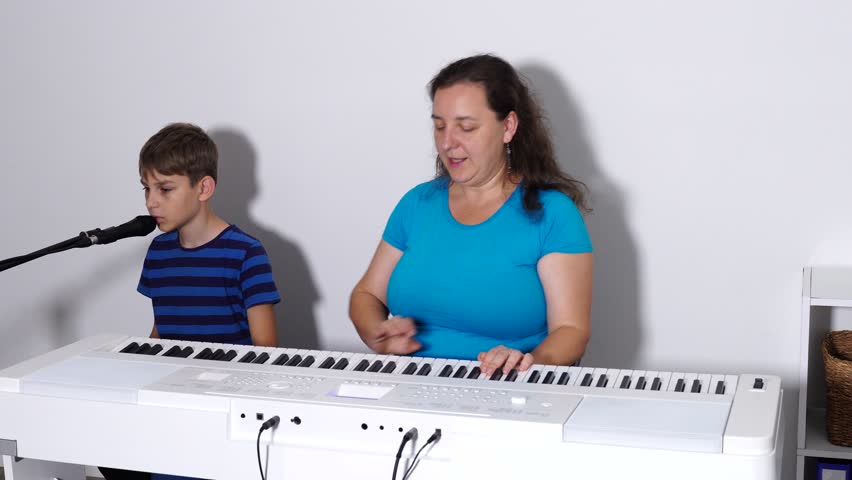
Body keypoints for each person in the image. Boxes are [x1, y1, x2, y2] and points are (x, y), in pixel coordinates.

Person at [349, 54, 593, 378]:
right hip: (408, 386)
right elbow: (366, 294)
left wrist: (526, 361)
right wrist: (378, 333)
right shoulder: (417, 203)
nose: (447, 143)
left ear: (508, 127)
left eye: (466, 127)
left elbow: (571, 330)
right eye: (439, 126)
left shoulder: (553, 214)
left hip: (506, 390)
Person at [100, 123, 281, 480]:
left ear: (204, 187)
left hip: (222, 411)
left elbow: (268, 351)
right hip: (169, 403)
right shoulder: (159, 250)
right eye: (147, 189)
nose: (151, 201)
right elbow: (161, 330)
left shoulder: (246, 253)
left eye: (165, 189)